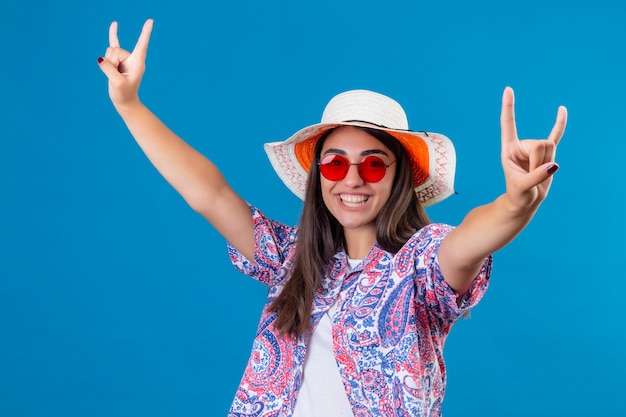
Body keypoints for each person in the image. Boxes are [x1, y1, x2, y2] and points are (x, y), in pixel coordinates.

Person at [97, 19, 567, 417]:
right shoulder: (292, 259)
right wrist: (129, 104)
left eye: (374, 163)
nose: (353, 179)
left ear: (398, 176)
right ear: (320, 175)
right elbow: (210, 195)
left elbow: (474, 238)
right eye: (336, 163)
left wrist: (517, 202)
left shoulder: (423, 263)